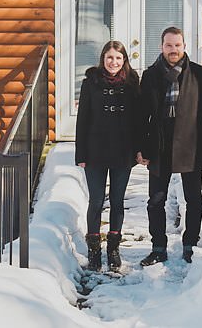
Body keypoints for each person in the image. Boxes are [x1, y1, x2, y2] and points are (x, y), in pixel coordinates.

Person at [137, 27, 202, 266]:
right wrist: (141, 147)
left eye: (177, 45)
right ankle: (158, 247)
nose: (173, 50)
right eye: (168, 45)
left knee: (193, 199)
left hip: (191, 142)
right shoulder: (151, 75)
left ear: (184, 46)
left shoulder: (199, 75)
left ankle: (189, 245)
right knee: (155, 200)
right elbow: (143, 115)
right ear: (162, 47)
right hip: (159, 144)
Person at [75, 40, 143, 271]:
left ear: (124, 60)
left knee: (117, 200)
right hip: (95, 151)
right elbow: (82, 120)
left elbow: (139, 122)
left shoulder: (133, 84)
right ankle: (94, 249)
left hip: (123, 151)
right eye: (109, 58)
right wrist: (80, 153)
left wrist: (139, 150)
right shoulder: (90, 83)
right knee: (96, 200)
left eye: (118, 58)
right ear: (103, 59)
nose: (114, 62)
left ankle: (113, 249)